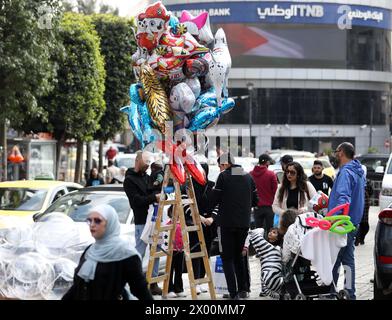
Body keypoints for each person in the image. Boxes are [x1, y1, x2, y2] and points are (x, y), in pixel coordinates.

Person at [62, 204, 153, 300]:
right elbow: (77, 287)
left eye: (97, 221)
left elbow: (140, 289)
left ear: (110, 223)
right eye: (89, 220)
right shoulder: (90, 251)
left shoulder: (125, 253)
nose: (92, 224)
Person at [207, 152, 259, 299]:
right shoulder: (248, 176)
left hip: (226, 224)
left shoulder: (223, 176)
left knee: (227, 258)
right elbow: (256, 200)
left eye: (220, 166)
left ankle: (233, 293)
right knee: (238, 256)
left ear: (225, 164)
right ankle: (243, 290)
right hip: (243, 223)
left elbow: (214, 199)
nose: (219, 169)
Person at [328, 142, 365, 300]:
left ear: (341, 153)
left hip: (342, 224)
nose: (335, 155)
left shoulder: (345, 173)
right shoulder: (358, 171)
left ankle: (329, 293)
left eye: (336, 151)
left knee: (334, 260)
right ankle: (350, 293)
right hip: (353, 222)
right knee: (348, 260)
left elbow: (344, 198)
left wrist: (338, 219)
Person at [123, 150, 162, 295]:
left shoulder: (147, 177)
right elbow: (136, 201)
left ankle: (153, 283)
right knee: (139, 252)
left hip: (154, 218)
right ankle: (134, 282)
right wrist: (154, 197)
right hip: (141, 220)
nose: (147, 167)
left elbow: (150, 192)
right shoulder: (129, 180)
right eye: (145, 164)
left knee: (156, 249)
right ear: (138, 161)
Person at [250, 154, 278, 236]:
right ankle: (269, 247)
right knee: (270, 231)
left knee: (258, 231)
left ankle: (258, 247)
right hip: (269, 207)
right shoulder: (271, 174)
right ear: (267, 162)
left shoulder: (250, 174)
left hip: (256, 207)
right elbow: (275, 191)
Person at [166, 206, 186, 298]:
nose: (176, 213)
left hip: (181, 250)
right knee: (169, 270)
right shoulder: (168, 223)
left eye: (178, 211)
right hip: (171, 251)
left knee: (179, 270)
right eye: (174, 211)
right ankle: (169, 289)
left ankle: (179, 289)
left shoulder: (183, 223)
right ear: (170, 212)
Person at [355, 181, 373, 246]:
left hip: (365, 204)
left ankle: (361, 238)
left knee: (365, 226)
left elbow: (371, 192)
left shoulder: (367, 183)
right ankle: (357, 240)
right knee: (358, 224)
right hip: (357, 204)